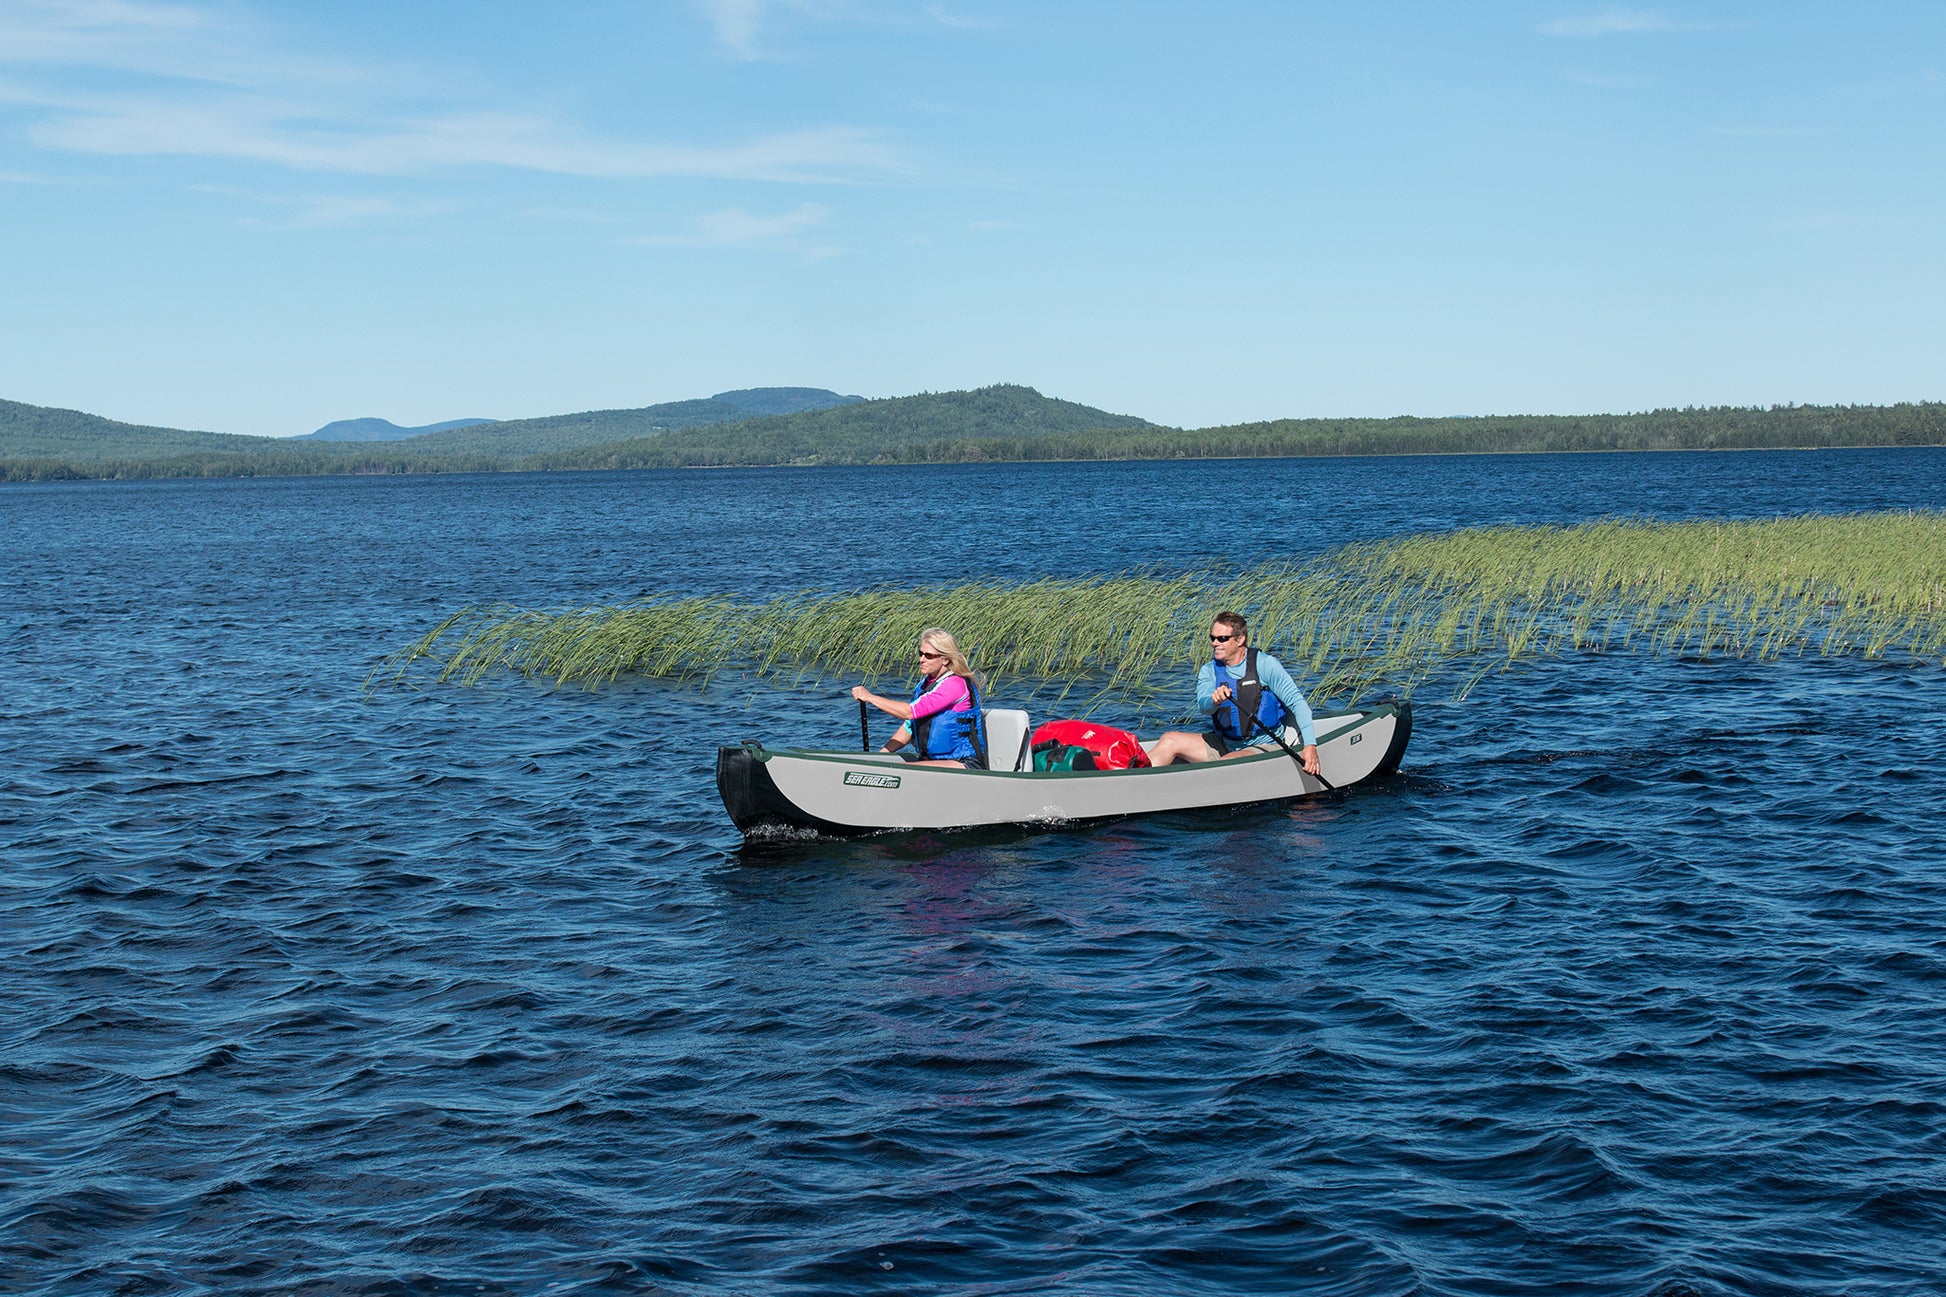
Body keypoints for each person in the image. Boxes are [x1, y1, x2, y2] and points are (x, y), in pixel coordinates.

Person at [1146, 611, 1322, 775]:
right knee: (1169, 739)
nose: (1215, 643)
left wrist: (1310, 746)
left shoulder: (1266, 665)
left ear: (1239, 639)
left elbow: (1297, 703)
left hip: (1265, 745)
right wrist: (1214, 701)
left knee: (1227, 762)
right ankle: (1136, 781)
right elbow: (1204, 707)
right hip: (1225, 743)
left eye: (1222, 638)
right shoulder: (1209, 670)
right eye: (1212, 638)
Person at [851, 628, 989, 768]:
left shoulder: (955, 685)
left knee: (905, 770)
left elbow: (909, 712)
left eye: (928, 656)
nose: (921, 659)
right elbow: (909, 728)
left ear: (945, 659)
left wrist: (870, 697)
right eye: (920, 653)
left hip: (964, 763)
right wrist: (881, 756)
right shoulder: (925, 685)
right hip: (932, 760)